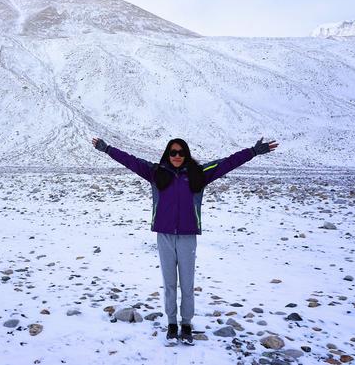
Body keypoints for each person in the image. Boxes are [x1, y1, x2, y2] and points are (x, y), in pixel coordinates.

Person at [92, 136, 278, 345]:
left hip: (188, 237)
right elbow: (130, 160)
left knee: (187, 285)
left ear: (186, 154)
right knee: (170, 284)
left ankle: (186, 323)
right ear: (167, 154)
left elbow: (227, 163)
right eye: (173, 152)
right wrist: (107, 149)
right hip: (164, 236)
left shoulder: (198, 174)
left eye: (181, 152)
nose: (177, 156)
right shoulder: (156, 173)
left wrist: (252, 152)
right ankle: (172, 323)